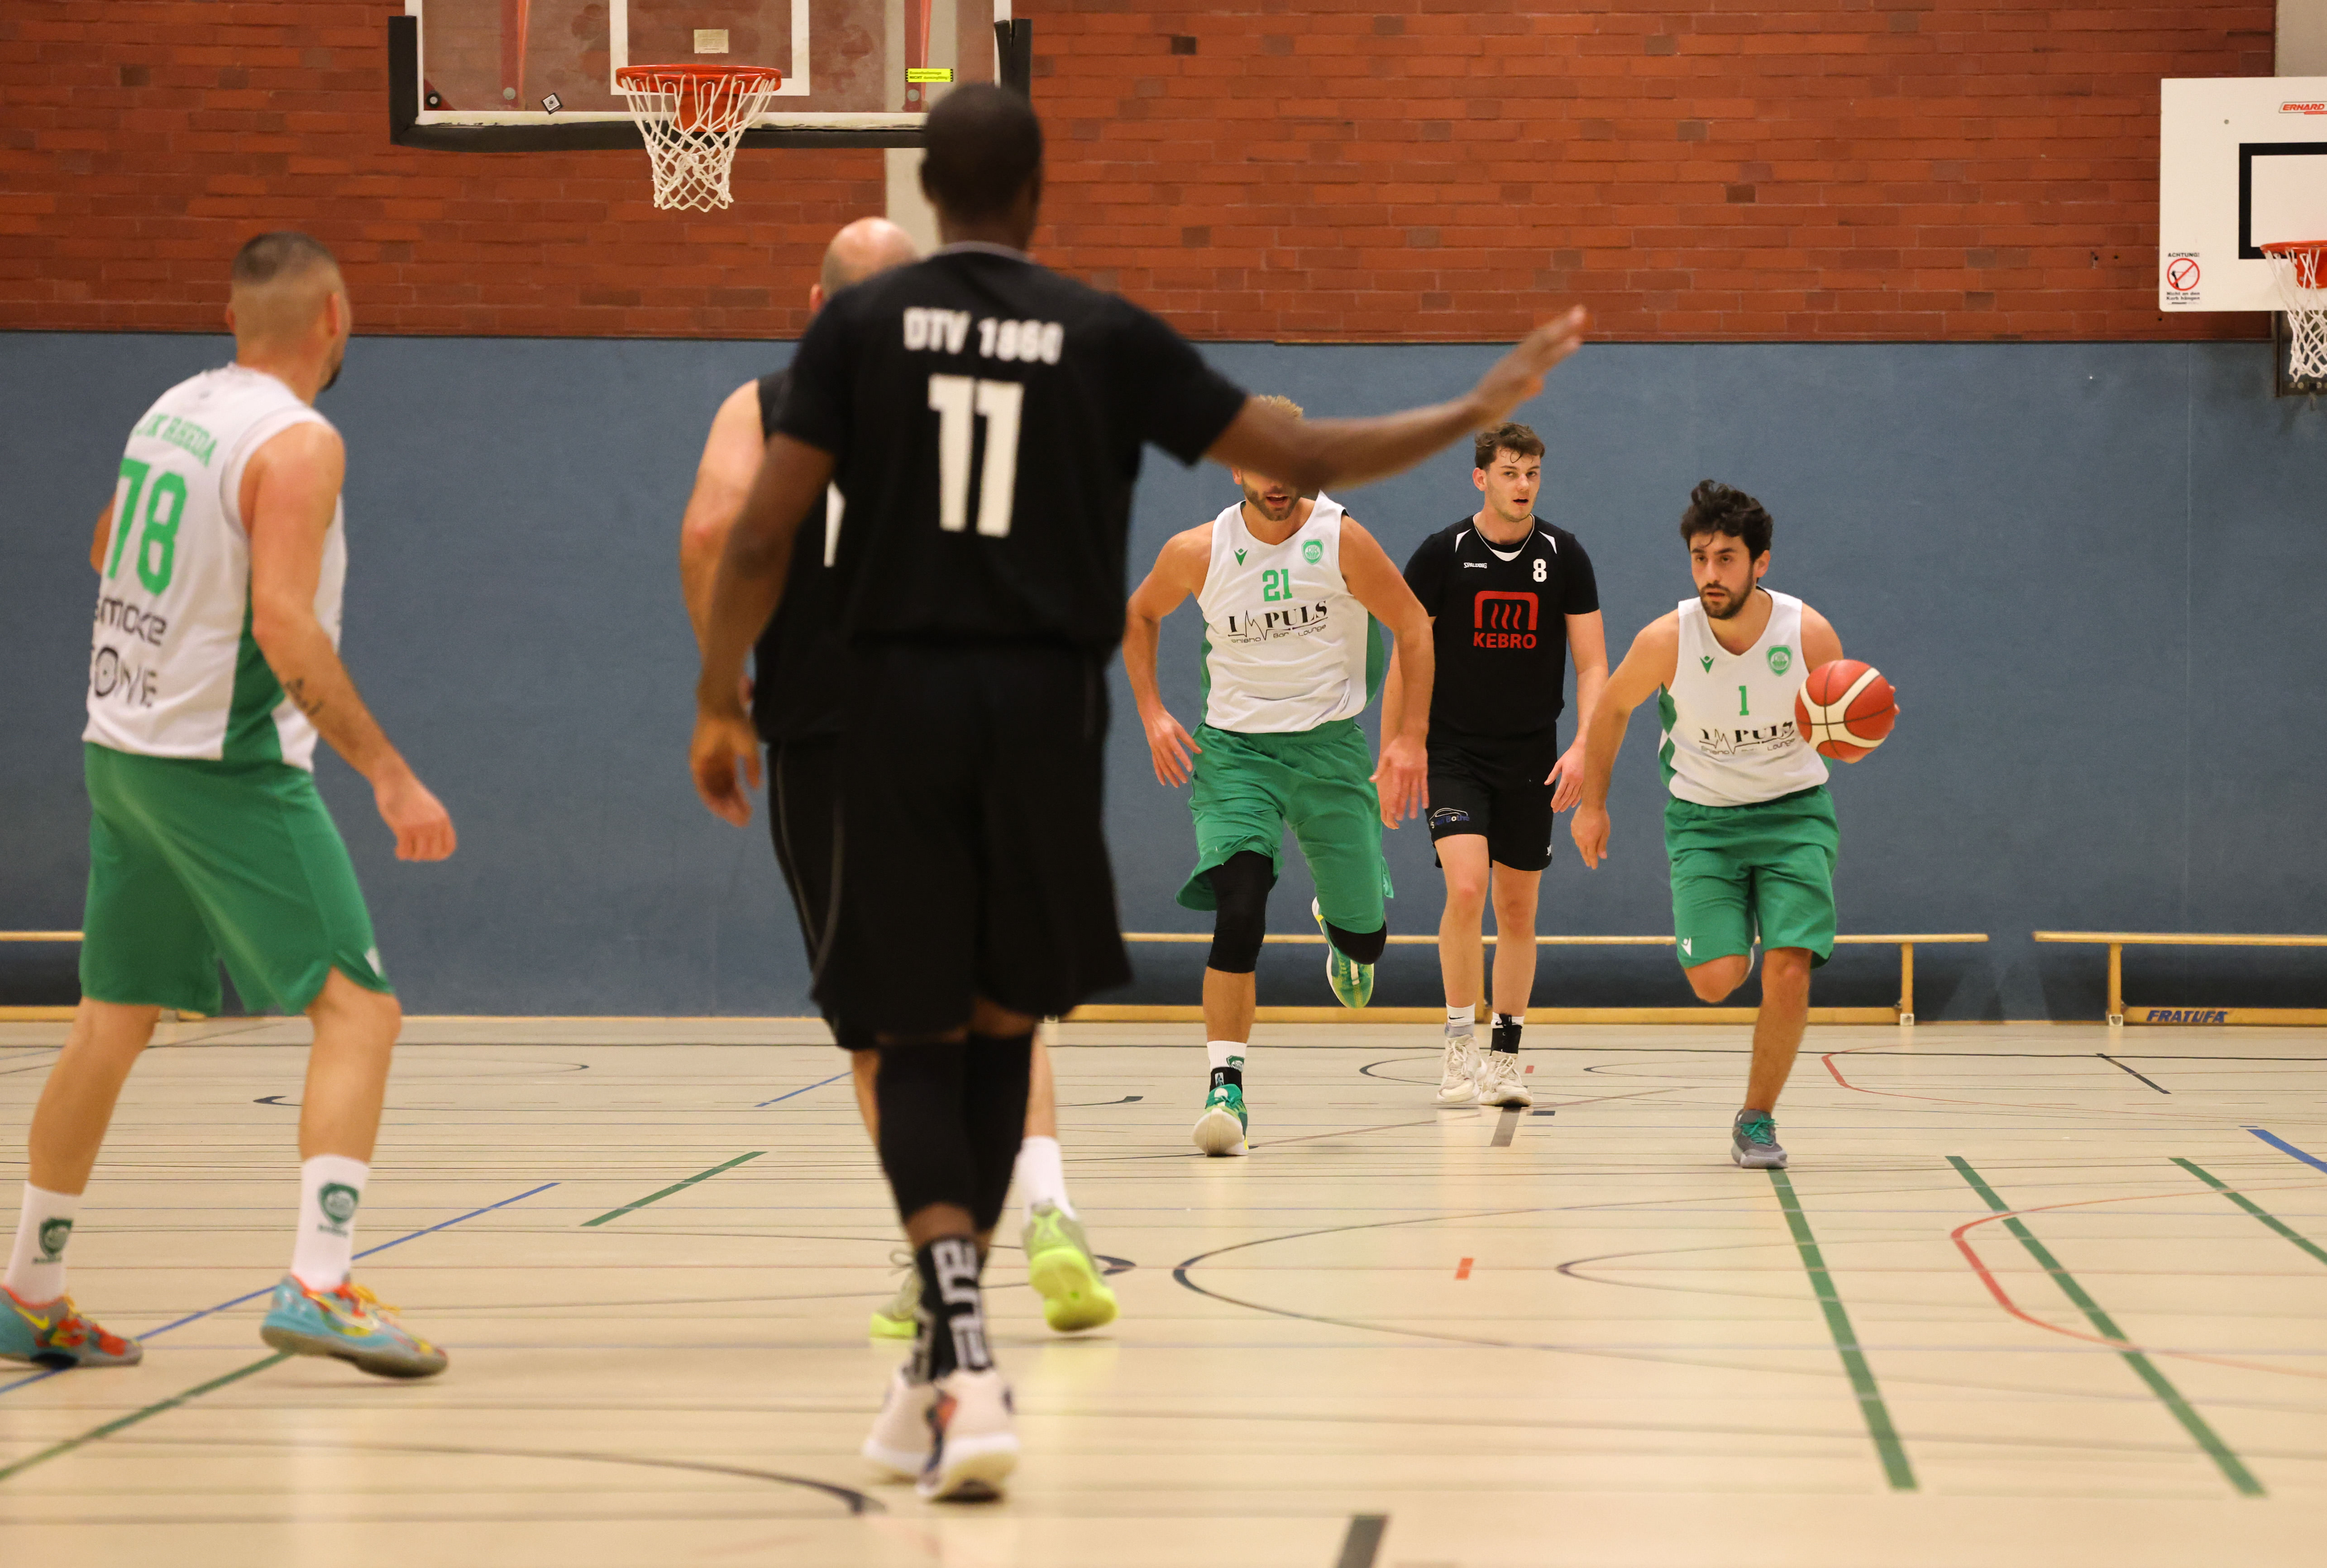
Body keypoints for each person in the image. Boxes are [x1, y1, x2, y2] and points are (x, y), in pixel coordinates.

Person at [689, 84, 1586, 1501]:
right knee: (1003, 1030)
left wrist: (715, 696)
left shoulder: (857, 332)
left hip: (891, 714)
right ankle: (952, 1358)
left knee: (908, 1042)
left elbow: (752, 533)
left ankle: (955, 1344)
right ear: (1037, 197)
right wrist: (1475, 407)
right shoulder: (1093, 330)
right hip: (1039, 724)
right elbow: (1304, 458)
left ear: (929, 196)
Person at [1, 233, 457, 1379]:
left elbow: (107, 546)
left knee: (110, 1021)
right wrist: (388, 772)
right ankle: (320, 1283)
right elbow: (284, 627)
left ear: (233, 318)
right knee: (361, 1012)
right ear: (336, 317)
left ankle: (28, 1290)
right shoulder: (299, 441)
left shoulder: (175, 407)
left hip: (122, 751)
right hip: (225, 766)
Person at [676, 217, 1118, 1344]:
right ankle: (1051, 1208)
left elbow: (715, 528)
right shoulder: (986, 396)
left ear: (813, 305)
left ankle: (940, 1267)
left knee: (883, 1029)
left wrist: (723, 686)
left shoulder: (768, 404)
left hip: (831, 733)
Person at [1123, 396, 1435, 1157]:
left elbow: (1413, 624)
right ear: (1235, 467)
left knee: (1366, 944)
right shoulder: (1197, 551)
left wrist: (1409, 739)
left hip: (1329, 753)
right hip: (1235, 755)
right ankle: (1224, 1087)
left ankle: (1339, 921)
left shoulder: (1341, 540)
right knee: (1241, 902)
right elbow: (1139, 615)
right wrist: (1153, 713)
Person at [1571, 481, 1881, 1169]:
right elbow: (1612, 709)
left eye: (1726, 559)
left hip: (1794, 814)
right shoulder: (1666, 639)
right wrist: (1593, 805)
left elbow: (1840, 719)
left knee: (1788, 969)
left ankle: (1757, 1119)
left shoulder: (1807, 633)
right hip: (1703, 823)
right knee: (1716, 979)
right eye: (1699, 558)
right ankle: (1725, 929)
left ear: (1760, 563)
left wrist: (1856, 732)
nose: (1710, 573)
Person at [1393, 423, 1605, 1108]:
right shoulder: (1441, 554)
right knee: (1465, 888)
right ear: (1480, 477)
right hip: (1453, 752)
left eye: (1532, 473)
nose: (1523, 486)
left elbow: (1593, 665)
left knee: (1517, 908)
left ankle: (1505, 1059)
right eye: (1510, 473)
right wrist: (1397, 747)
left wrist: (1584, 745)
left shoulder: (1564, 556)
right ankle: (1459, 1045)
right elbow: (1405, 658)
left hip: (1532, 755)